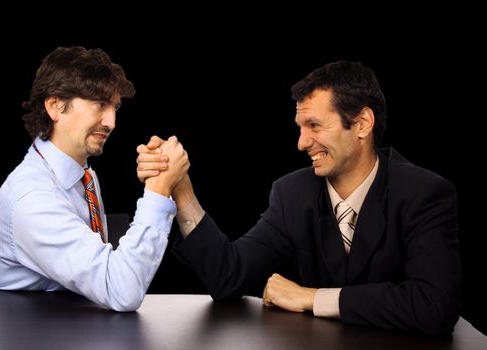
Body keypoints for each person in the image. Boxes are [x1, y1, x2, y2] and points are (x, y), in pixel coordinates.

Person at [137, 60, 461, 334]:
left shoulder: (424, 194)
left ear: (362, 123)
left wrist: (311, 298)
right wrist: (181, 190)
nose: (302, 143)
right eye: (300, 127)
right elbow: (228, 276)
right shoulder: (294, 194)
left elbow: (435, 306)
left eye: (314, 125)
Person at [0, 46, 189, 311]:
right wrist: (158, 188)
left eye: (115, 107)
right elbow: (120, 290)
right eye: (99, 104)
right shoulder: (33, 199)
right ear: (54, 106)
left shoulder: (83, 175)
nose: (111, 121)